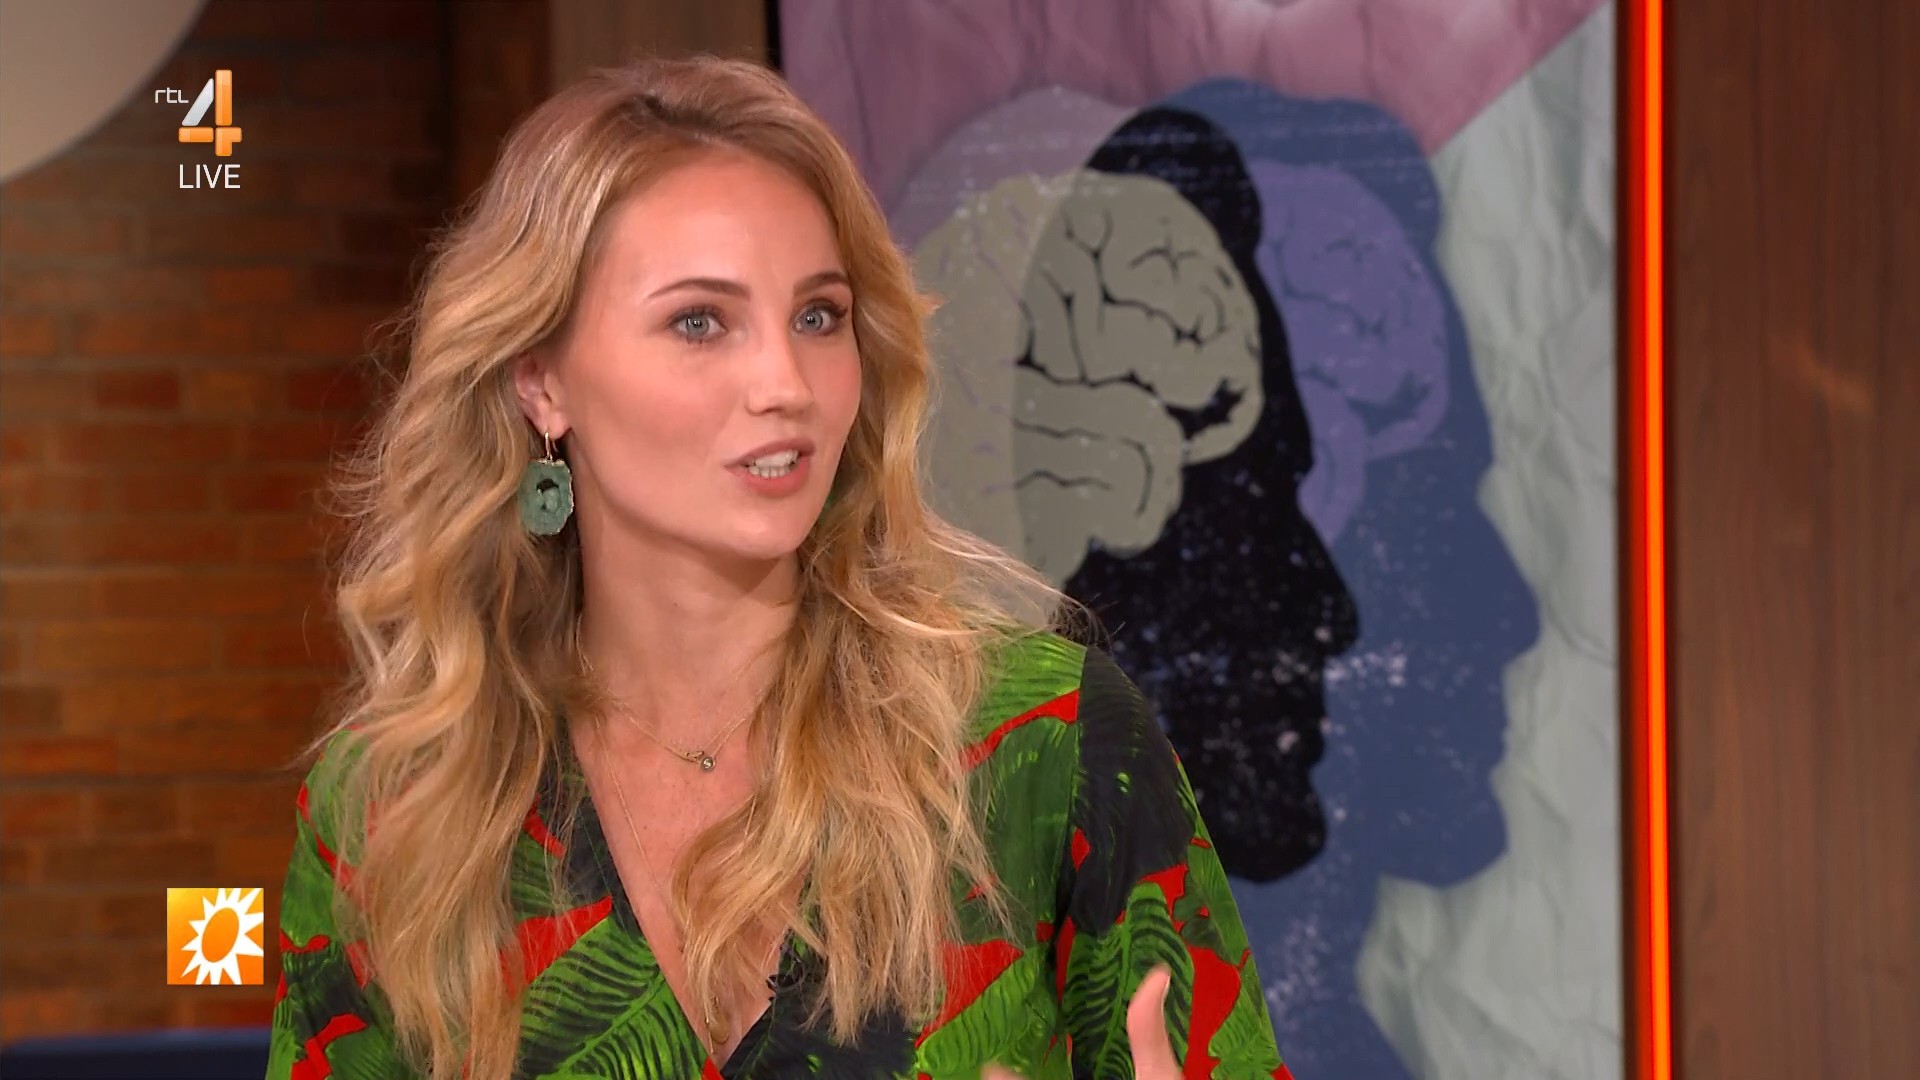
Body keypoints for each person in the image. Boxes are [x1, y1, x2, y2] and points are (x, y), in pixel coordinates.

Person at [266, 56, 1290, 1080]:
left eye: (819, 316)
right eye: (700, 321)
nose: (785, 383)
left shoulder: (1046, 738)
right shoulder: (390, 811)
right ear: (541, 382)